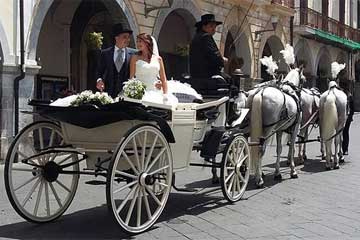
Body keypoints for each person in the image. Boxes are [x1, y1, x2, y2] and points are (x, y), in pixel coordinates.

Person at [129, 33, 201, 105]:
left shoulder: (158, 59)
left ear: (147, 43)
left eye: (140, 41)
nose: (138, 43)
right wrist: (133, 91)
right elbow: (131, 78)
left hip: (156, 91)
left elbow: (163, 79)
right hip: (141, 92)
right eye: (137, 41)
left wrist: (165, 95)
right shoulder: (135, 58)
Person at [96, 23, 137, 97]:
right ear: (116, 37)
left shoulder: (134, 53)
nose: (128, 40)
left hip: (127, 95)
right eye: (124, 37)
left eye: (128, 37)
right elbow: (99, 71)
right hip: (109, 93)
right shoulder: (105, 53)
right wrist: (99, 80)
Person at [189, 14, 228, 80]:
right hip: (207, 75)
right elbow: (214, 56)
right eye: (211, 26)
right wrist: (222, 61)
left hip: (197, 74)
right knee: (232, 82)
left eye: (215, 27)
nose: (214, 29)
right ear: (204, 26)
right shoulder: (206, 37)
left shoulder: (197, 37)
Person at [342, 86, 354, 155]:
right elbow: (353, 108)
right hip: (347, 117)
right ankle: (345, 149)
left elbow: (352, 108)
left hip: (345, 118)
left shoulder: (349, 96)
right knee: (345, 133)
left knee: (343, 133)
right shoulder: (349, 96)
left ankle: (344, 149)